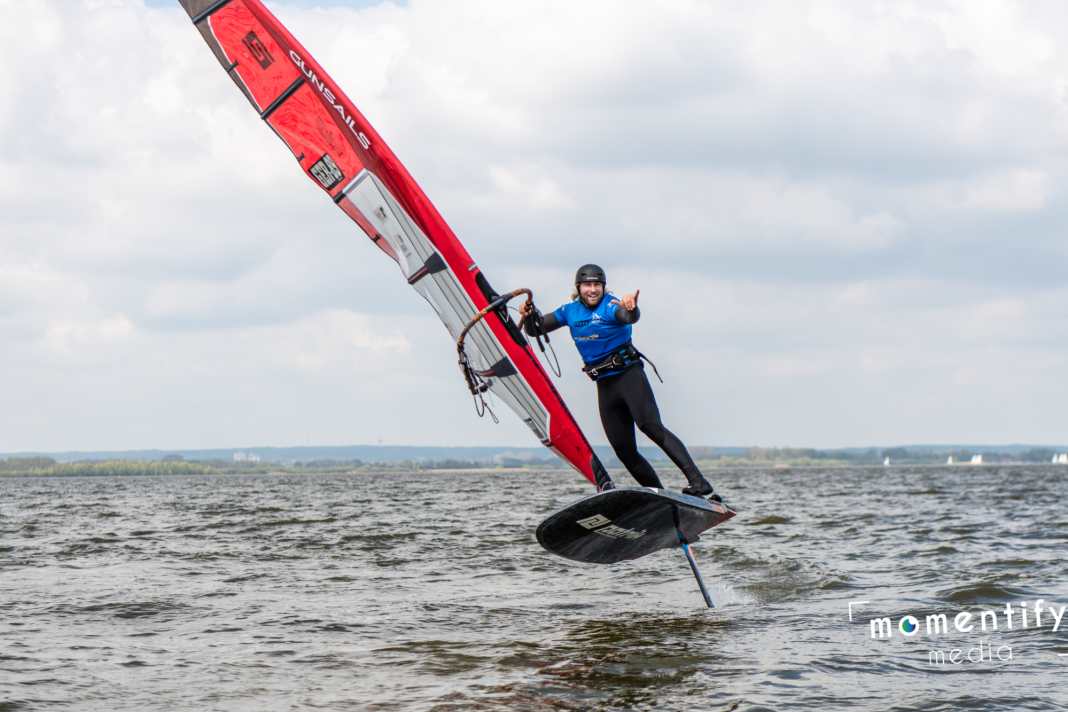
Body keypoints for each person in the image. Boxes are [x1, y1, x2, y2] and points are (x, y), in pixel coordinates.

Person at [521, 264, 720, 501]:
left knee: (650, 426)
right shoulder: (569, 311)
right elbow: (536, 329)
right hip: (605, 385)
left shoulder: (611, 305)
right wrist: (529, 315)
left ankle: (699, 482)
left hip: (629, 376)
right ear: (579, 287)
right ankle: (660, 498)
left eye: (597, 285)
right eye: (587, 285)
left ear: (603, 287)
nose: (593, 290)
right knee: (624, 450)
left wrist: (631, 308)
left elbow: (628, 317)